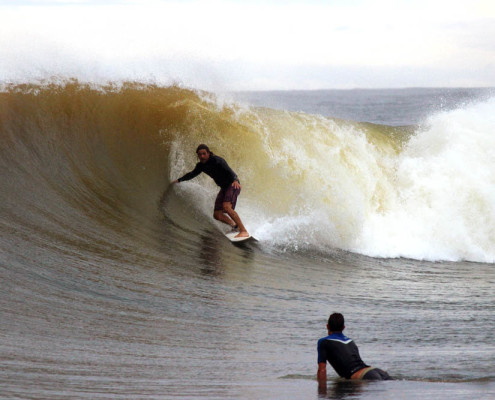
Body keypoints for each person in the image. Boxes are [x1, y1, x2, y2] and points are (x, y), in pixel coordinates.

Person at [172, 144, 249, 238]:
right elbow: (191, 174)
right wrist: (179, 180)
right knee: (217, 215)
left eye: (204, 154)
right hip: (224, 188)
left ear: (208, 153)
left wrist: (235, 180)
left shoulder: (217, 160)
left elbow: (229, 170)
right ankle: (234, 225)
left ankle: (243, 231)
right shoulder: (201, 166)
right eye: (199, 155)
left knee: (227, 207)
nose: (202, 156)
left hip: (232, 184)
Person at [317, 313, 392, 387]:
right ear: (343, 327)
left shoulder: (324, 342)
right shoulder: (350, 341)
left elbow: (322, 370)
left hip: (365, 376)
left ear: (327, 326)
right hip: (376, 371)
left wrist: (321, 393)